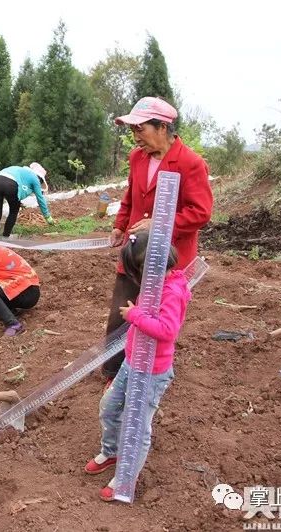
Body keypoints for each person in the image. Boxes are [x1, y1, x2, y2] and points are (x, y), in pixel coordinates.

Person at [100, 97, 213, 382]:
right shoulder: (137, 158)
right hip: (135, 252)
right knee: (121, 311)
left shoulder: (190, 163)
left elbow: (201, 212)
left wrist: (161, 222)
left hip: (169, 258)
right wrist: (119, 225)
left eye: (141, 130)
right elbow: (131, 195)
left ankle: (151, 373)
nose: (136, 137)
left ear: (162, 127)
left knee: (158, 316)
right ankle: (114, 371)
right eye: (133, 131)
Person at [84, 232, 191, 501]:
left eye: (139, 270)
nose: (138, 278)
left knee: (138, 427)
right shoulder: (154, 285)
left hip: (152, 372)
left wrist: (134, 315)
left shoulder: (172, 291)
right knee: (109, 407)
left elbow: (167, 330)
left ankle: (125, 479)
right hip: (132, 362)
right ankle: (112, 452)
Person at [0, 162, 55, 237]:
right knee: (13, 212)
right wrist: (47, 216)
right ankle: (5, 236)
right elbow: (40, 199)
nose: (40, 183)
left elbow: (18, 188)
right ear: (39, 177)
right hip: (11, 184)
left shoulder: (21, 171)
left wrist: (18, 202)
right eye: (41, 181)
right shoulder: (35, 178)